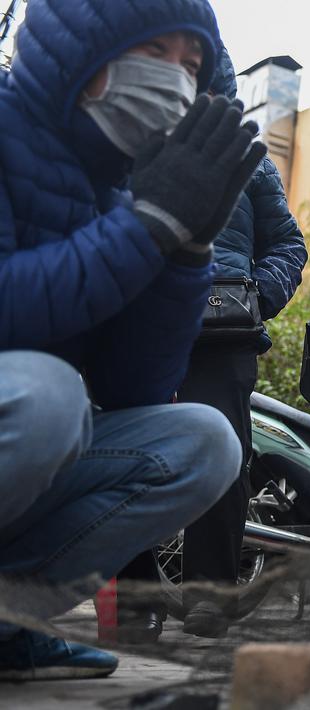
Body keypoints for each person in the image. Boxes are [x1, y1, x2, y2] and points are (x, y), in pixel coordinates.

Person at [0, 0, 264, 679]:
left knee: (203, 441)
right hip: (26, 409)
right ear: (83, 58)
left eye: (192, 65)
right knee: (50, 398)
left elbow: (132, 390)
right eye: (156, 53)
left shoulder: (120, 189)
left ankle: (8, 618)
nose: (177, 79)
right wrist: (146, 228)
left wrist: (187, 249)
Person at [116, 47, 309, 642]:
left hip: (224, 336)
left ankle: (210, 596)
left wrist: (255, 297)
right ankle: (135, 601)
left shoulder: (251, 163)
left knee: (224, 452)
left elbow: (289, 247)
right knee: (129, 454)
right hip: (144, 329)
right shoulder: (128, 154)